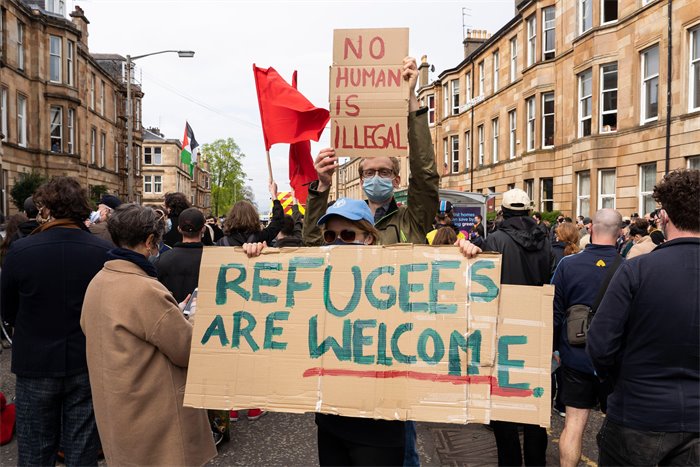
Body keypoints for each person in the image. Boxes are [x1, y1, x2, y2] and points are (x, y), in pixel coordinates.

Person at [243, 198, 406, 466]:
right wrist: (255, 258)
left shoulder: (396, 278)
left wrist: (465, 253)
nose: (337, 241)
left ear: (368, 238)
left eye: (347, 234)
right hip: (331, 422)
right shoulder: (315, 277)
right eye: (330, 235)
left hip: (379, 429)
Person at [81, 204, 216, 466]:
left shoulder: (98, 280)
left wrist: (172, 313)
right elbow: (186, 349)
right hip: (153, 416)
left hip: (119, 408)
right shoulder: (145, 289)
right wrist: (195, 315)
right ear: (149, 241)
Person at [587, 169, 699, 466]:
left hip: (637, 415)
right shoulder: (635, 271)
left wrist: (615, 384)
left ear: (663, 217)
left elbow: (600, 344)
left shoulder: (636, 270)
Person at [0, 177, 111, 466]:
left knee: (36, 449)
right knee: (82, 448)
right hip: (84, 358)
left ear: (46, 208)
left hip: (35, 360)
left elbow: (7, 310)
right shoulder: (101, 253)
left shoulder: (21, 251)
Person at [456, 188, 550, 467]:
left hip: (501, 327)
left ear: (503, 212)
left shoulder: (493, 239)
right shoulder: (545, 240)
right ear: (529, 211)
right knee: (535, 403)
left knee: (502, 403)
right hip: (537, 325)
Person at [303, 56, 439, 246]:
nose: (376, 177)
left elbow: (425, 177)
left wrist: (411, 99)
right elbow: (312, 243)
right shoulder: (344, 223)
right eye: (369, 173)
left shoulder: (411, 220)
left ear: (397, 179)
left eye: (384, 172)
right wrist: (323, 186)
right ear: (361, 180)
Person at [551, 209, 623, 467]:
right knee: (617, 429)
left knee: (573, 424)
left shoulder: (567, 265)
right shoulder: (629, 269)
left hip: (575, 355)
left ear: (590, 228)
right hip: (614, 361)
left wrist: (555, 349)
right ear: (620, 232)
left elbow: (555, 313)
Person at [155, 207, 206, 302]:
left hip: (171, 313)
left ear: (179, 229)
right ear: (203, 228)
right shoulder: (211, 260)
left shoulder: (163, 259)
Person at [217, 182, 283, 247]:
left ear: (231, 217)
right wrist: (274, 196)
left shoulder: (222, 242)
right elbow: (277, 221)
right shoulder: (261, 237)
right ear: (253, 216)